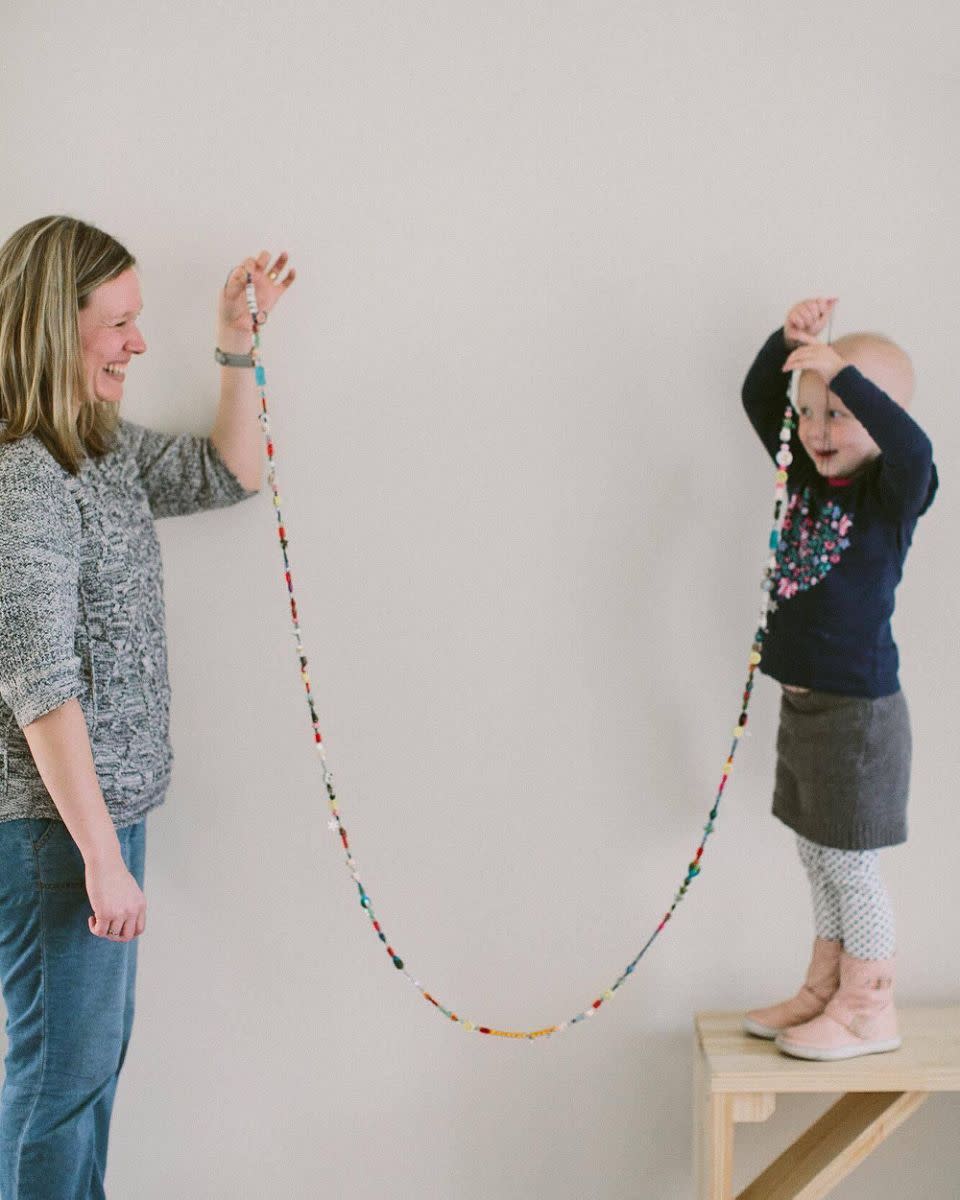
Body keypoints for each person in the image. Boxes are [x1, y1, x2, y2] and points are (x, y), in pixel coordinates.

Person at [0, 215, 294, 1197]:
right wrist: (94, 856)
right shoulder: (23, 473)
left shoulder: (100, 448)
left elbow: (232, 472)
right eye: (119, 322)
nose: (137, 342)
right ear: (53, 324)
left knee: (82, 1082)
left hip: (101, 825)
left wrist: (238, 344)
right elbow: (38, 677)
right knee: (58, 1086)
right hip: (54, 836)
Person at [738, 296, 938, 1061]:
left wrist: (844, 373)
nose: (818, 431)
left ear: (876, 414)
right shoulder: (806, 478)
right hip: (807, 707)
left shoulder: (895, 495)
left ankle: (868, 1008)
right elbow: (760, 399)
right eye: (813, 413)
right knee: (817, 854)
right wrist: (791, 344)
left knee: (853, 866)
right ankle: (826, 987)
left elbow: (912, 446)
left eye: (842, 412)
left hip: (859, 716)